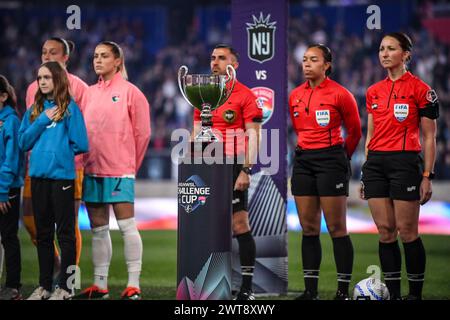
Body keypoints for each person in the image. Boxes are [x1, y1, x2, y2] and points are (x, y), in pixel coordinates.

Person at [361, 32, 439, 300]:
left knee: (407, 232)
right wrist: (364, 171)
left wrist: (427, 175)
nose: (384, 53)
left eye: (391, 49)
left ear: (406, 54)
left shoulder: (422, 90)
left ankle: (414, 295)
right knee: (385, 233)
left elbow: (430, 136)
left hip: (405, 163)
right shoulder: (373, 91)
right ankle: (394, 296)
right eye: (382, 49)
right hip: (375, 166)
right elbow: (370, 136)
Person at [73, 41, 151, 300]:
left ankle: (133, 285)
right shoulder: (88, 93)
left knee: (127, 226)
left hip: (120, 170)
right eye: (96, 56)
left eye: (104, 56)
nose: (98, 60)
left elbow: (143, 134)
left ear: (117, 61)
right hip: (92, 169)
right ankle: (100, 285)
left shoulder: (131, 92)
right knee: (98, 229)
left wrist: (130, 166)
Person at [289, 44, 362, 300]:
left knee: (336, 228)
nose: (306, 64)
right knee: (308, 228)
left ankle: (342, 292)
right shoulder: (294, 95)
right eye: (305, 59)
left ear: (327, 65)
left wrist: (343, 158)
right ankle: (310, 292)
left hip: (332, 161)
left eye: (314, 60)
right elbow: (300, 130)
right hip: (303, 162)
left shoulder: (341, 94)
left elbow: (355, 131)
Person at [192, 44, 262, 300]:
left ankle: (246, 288)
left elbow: (253, 135)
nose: (215, 62)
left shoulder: (245, 95)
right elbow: (197, 131)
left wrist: (246, 169)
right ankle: (210, 285)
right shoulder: (201, 93)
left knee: (239, 223)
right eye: (212, 58)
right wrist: (191, 162)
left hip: (233, 165)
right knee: (207, 226)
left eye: (221, 58)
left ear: (235, 64)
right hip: (206, 166)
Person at [19, 61, 89, 300]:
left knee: (66, 235)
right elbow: (22, 142)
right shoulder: (35, 110)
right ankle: (45, 287)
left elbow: (81, 143)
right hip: (38, 178)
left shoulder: (70, 108)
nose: (42, 82)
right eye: (40, 78)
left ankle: (66, 288)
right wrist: (41, 122)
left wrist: (57, 151)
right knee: (44, 235)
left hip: (62, 179)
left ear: (58, 79)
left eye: (47, 77)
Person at [0, 75, 24, 300]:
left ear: (3, 96)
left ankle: (13, 286)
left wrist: (2, 191)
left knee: (8, 236)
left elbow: (11, 159)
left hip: (7, 189)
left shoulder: (11, 122)